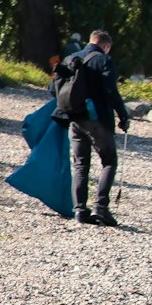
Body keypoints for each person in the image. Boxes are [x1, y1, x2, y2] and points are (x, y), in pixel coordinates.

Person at [54, 29, 130, 226]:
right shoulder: (103, 60)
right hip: (97, 119)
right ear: (106, 46)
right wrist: (123, 115)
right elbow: (111, 91)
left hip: (75, 119)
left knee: (80, 165)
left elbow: (52, 88)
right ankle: (101, 208)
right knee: (109, 161)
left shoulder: (70, 57)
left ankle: (79, 211)